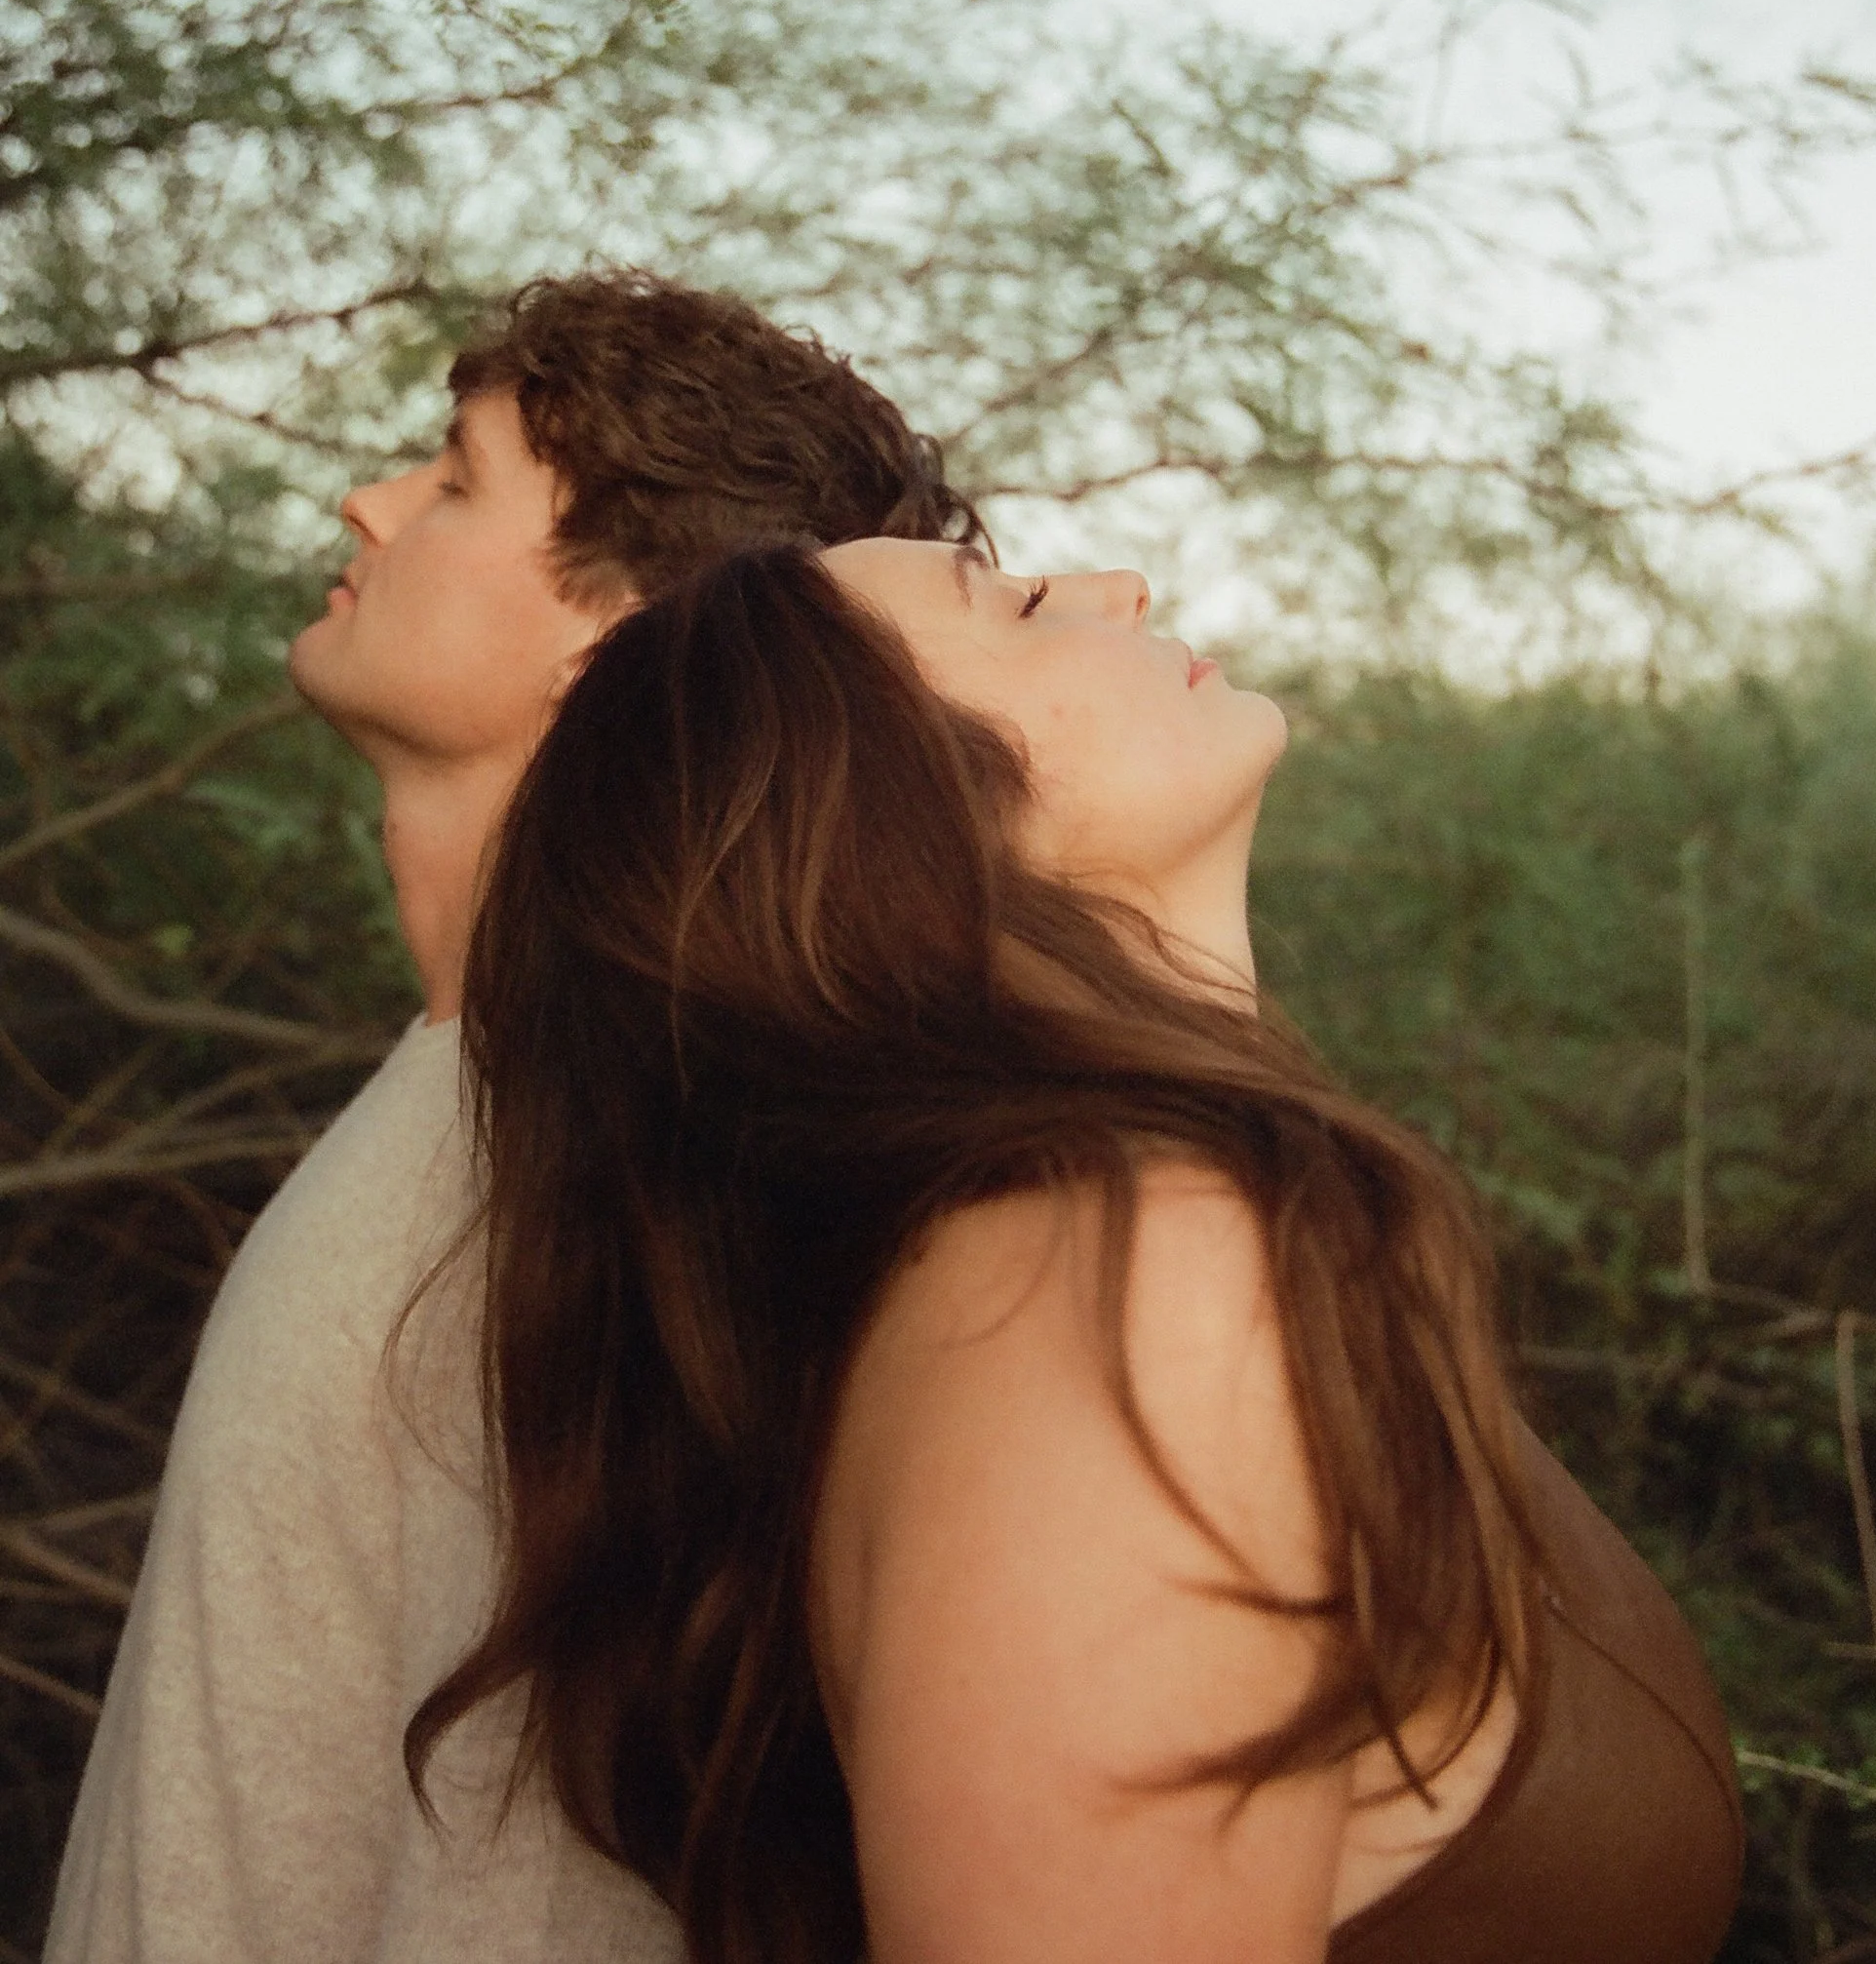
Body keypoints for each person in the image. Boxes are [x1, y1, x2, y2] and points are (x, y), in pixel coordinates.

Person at [425, 536, 1745, 1964]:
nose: (1118, 586)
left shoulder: (1132, 1246)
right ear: (889, 803)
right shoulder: (1118, 1282)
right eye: (1019, 601)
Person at [46, 275, 980, 1964]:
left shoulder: (632, 1168)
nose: (368, 499)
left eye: (454, 477)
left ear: (618, 636)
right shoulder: (479, 1099)